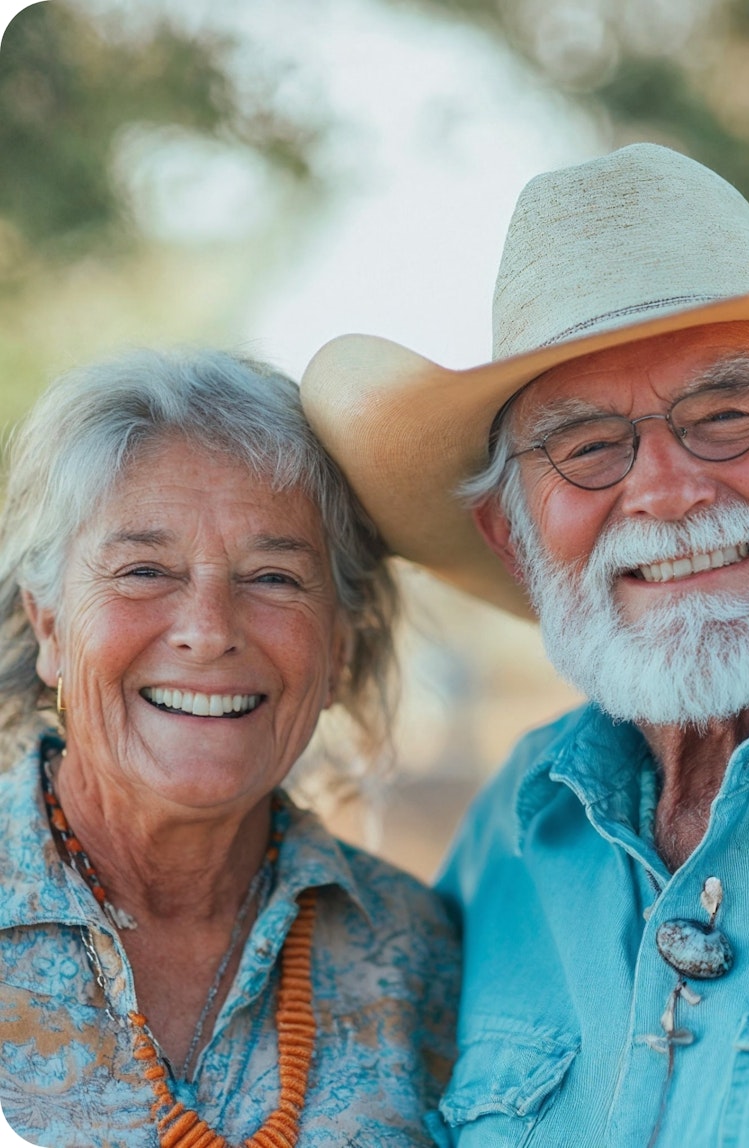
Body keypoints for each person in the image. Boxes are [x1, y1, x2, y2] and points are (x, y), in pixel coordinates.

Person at [300, 144, 749, 1146]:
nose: (667, 490)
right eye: (585, 447)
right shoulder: (515, 833)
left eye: (728, 412)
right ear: (516, 538)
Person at [0, 348, 459, 1147]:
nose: (209, 632)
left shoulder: (419, 947)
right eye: (144, 570)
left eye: (274, 577)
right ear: (49, 626)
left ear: (341, 645)